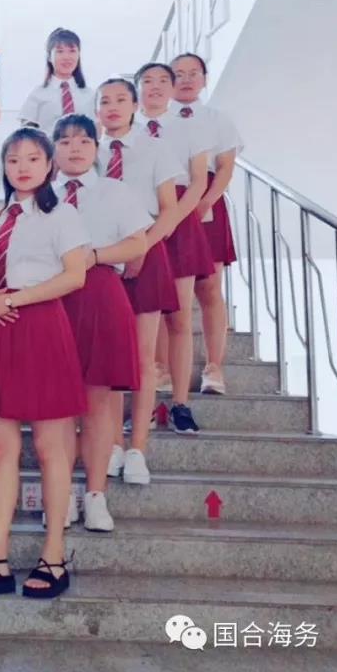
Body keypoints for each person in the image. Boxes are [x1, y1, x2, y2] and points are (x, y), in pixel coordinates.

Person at [0, 127, 88, 602]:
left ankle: (54, 556)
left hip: (41, 326)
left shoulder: (62, 215)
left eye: (32, 158)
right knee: (1, 446)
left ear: (49, 165)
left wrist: (15, 299)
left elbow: (75, 276)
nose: (22, 167)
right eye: (13, 160)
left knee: (51, 447)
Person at [53, 114, 150, 531]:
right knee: (56, 406)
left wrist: (95, 256)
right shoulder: (42, 194)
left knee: (97, 403)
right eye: (64, 141)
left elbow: (137, 243)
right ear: (53, 150)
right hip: (52, 297)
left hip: (100, 293)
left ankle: (96, 495)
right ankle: (60, 495)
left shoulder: (115, 191)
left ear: (96, 148)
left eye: (83, 141)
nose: (74, 148)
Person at [96, 78, 183, 485]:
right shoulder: (89, 151)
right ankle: (112, 442)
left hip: (146, 251)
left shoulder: (154, 148)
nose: (112, 106)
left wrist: (140, 248)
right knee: (111, 356)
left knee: (144, 358)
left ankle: (138, 449)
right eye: (104, 101)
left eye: (120, 99)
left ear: (134, 104)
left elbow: (169, 209)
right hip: (101, 259)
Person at [136, 62, 214, 435]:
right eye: (147, 81)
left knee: (180, 318)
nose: (154, 86)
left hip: (180, 220)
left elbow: (199, 181)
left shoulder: (189, 126)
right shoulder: (127, 128)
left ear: (172, 87)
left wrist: (171, 221)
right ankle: (145, 405)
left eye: (162, 80)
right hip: (138, 222)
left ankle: (181, 404)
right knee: (144, 320)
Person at [171, 52, 244, 395]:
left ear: (204, 79)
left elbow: (226, 167)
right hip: (168, 202)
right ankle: (163, 367)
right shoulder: (155, 118)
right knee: (169, 291)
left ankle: (214, 367)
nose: (186, 79)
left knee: (210, 288)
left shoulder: (217, 119)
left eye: (193, 73)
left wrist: (206, 202)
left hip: (207, 202)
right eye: (178, 73)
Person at [19, 28, 95, 132]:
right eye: (60, 51)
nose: (66, 57)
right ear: (49, 57)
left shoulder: (89, 95)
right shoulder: (38, 94)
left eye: (72, 51)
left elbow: (96, 131)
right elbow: (26, 134)